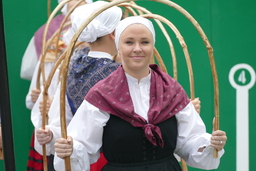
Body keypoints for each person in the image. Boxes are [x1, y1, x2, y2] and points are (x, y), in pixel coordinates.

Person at [53, 16, 227, 171]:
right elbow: (82, 145)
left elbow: (189, 142)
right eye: (129, 42)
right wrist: (70, 149)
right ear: (118, 47)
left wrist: (210, 145)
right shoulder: (101, 94)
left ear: (152, 46)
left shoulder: (172, 90)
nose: (137, 48)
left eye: (144, 42)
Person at [33, 1, 123, 170]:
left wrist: (52, 133)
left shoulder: (71, 65)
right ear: (114, 32)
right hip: (115, 159)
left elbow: (61, 119)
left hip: (77, 159)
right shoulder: (121, 73)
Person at [24, 1, 92, 171]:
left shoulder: (102, 51)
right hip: (54, 128)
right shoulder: (51, 41)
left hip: (89, 133)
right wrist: (39, 99)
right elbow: (36, 83)